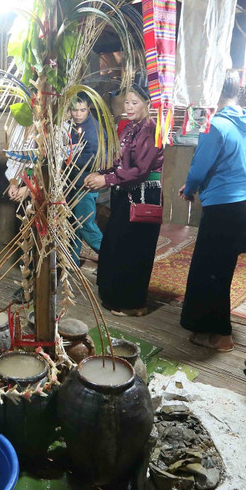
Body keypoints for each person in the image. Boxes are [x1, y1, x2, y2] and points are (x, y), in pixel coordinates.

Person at [177, 71, 246, 351]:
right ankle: (207, 327)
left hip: (224, 207)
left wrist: (189, 189)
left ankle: (222, 335)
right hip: (245, 202)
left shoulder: (216, 125)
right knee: (220, 267)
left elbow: (200, 166)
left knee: (211, 270)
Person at [85, 80, 163, 317]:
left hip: (143, 194)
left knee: (134, 248)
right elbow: (120, 162)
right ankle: (114, 296)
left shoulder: (151, 129)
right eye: (126, 102)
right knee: (115, 243)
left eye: (134, 102)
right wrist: (103, 173)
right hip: (125, 191)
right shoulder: (128, 127)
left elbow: (140, 170)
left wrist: (106, 181)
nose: (129, 107)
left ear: (146, 103)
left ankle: (133, 303)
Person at [66, 92, 104, 265]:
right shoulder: (72, 125)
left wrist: (67, 156)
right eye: (75, 110)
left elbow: (95, 159)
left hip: (85, 184)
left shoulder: (92, 130)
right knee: (73, 224)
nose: (78, 114)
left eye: (82, 110)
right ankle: (71, 262)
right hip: (72, 183)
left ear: (88, 108)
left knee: (85, 225)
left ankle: (110, 257)